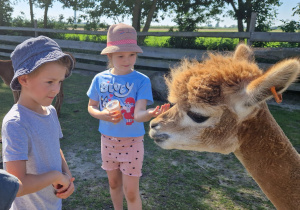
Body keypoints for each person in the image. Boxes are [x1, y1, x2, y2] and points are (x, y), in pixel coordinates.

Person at [87, 23, 170, 210]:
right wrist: (103, 115)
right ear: (110, 55)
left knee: (131, 192)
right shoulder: (100, 79)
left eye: (131, 55)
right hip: (107, 141)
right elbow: (91, 107)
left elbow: (138, 115)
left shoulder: (141, 80)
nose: (127, 60)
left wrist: (151, 113)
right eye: (121, 56)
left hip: (132, 142)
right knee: (114, 184)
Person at [1, 36, 75, 210]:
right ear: (24, 79)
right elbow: (16, 185)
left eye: (59, 82)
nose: (56, 89)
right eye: (49, 82)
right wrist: (55, 176)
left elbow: (55, 147)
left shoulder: (49, 112)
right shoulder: (15, 123)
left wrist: (67, 177)